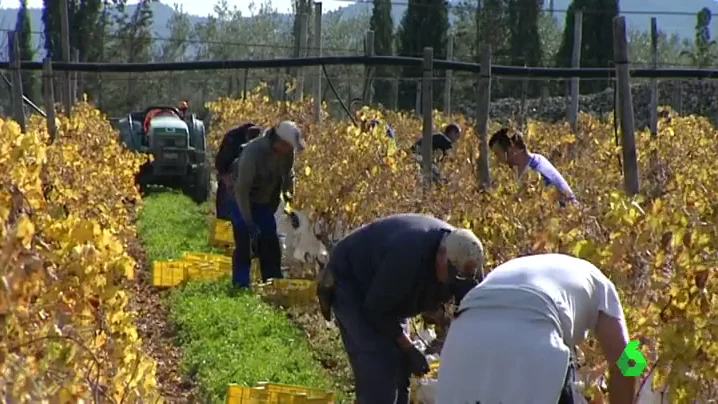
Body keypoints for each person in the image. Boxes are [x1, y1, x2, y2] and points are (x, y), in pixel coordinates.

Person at [317, 213, 485, 404]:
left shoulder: (465, 259)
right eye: (453, 275)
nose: (454, 282)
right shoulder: (408, 254)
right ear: (441, 254)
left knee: (401, 369)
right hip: (354, 285)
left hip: (390, 296)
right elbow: (377, 310)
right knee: (379, 366)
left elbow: (470, 307)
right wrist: (409, 347)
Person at [436, 253, 636, 404]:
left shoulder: (517, 266)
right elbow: (628, 358)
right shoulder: (603, 286)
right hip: (534, 338)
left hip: (464, 335)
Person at [231, 121, 304, 288]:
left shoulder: (287, 154)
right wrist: (249, 222)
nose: (290, 151)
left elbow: (287, 179)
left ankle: (272, 282)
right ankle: (240, 284)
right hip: (240, 199)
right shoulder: (253, 153)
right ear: (279, 142)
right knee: (244, 240)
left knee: (270, 240)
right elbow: (242, 190)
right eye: (289, 146)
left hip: (263, 201)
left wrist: (290, 206)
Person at [489, 127, 576, 206]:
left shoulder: (536, 175)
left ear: (512, 149)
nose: (498, 161)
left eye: (498, 154)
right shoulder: (536, 160)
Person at [214, 122, 263, 220]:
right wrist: (227, 180)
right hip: (228, 181)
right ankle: (222, 234)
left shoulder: (262, 144)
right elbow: (221, 163)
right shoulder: (232, 139)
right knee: (225, 218)